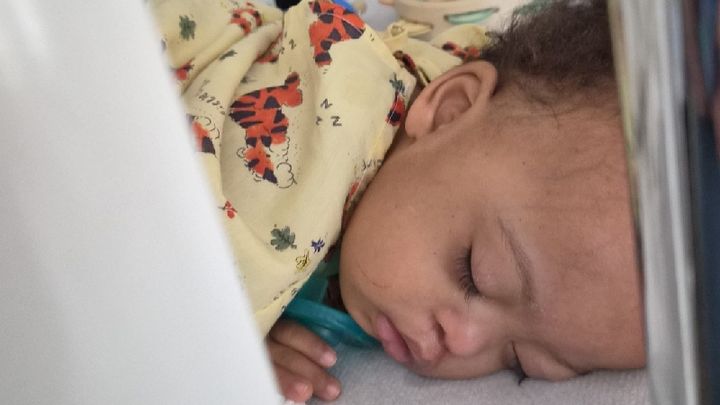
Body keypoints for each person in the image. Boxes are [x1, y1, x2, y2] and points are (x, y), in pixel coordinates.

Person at [150, 0, 645, 402]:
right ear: (448, 110)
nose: (463, 342)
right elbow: (137, 295)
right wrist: (227, 334)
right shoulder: (309, 146)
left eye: (520, 361)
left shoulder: (471, 140)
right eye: (473, 273)